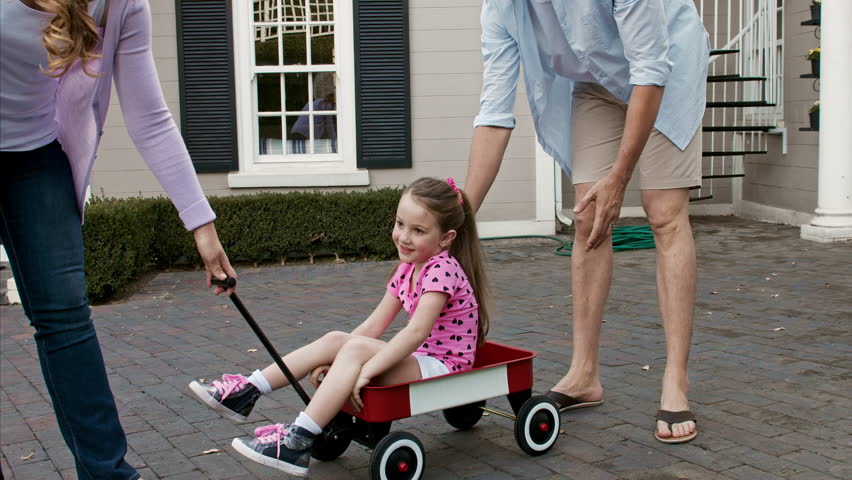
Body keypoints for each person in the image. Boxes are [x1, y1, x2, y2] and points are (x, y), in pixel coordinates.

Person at [0, 0, 237, 478]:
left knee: (65, 317)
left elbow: (149, 117)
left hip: (35, 158)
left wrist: (202, 225)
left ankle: (108, 473)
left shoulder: (121, 6)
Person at [464, 0, 709, 444]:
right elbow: (494, 114)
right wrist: (460, 218)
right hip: (595, 84)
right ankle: (584, 374)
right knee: (587, 218)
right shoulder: (500, 8)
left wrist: (619, 176)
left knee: (665, 215)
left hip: (664, 73)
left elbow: (651, 70)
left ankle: (676, 379)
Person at [189, 177, 490, 477]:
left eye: (418, 230)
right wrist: (334, 361)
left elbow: (415, 332)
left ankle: (298, 440)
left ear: (446, 238)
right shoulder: (407, 269)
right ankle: (246, 391)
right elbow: (374, 324)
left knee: (356, 348)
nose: (404, 237)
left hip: (445, 366)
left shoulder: (442, 269)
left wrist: (366, 370)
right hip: (422, 358)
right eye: (400, 224)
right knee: (337, 339)